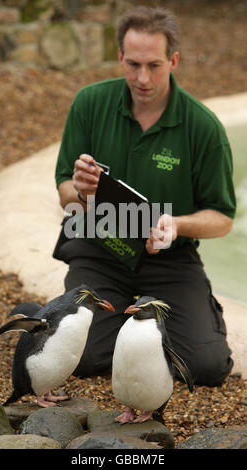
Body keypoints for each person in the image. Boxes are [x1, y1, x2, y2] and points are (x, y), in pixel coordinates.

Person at [54, 6, 236, 386]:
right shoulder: (90, 103)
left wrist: (177, 224)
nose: (142, 78)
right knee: (81, 360)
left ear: (174, 60)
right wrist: (81, 191)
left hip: (169, 259)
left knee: (206, 368)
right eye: (133, 64)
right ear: (120, 56)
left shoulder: (203, 127)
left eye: (154, 65)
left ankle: (152, 318)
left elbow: (222, 218)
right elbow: (65, 195)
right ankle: (129, 323)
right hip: (99, 247)